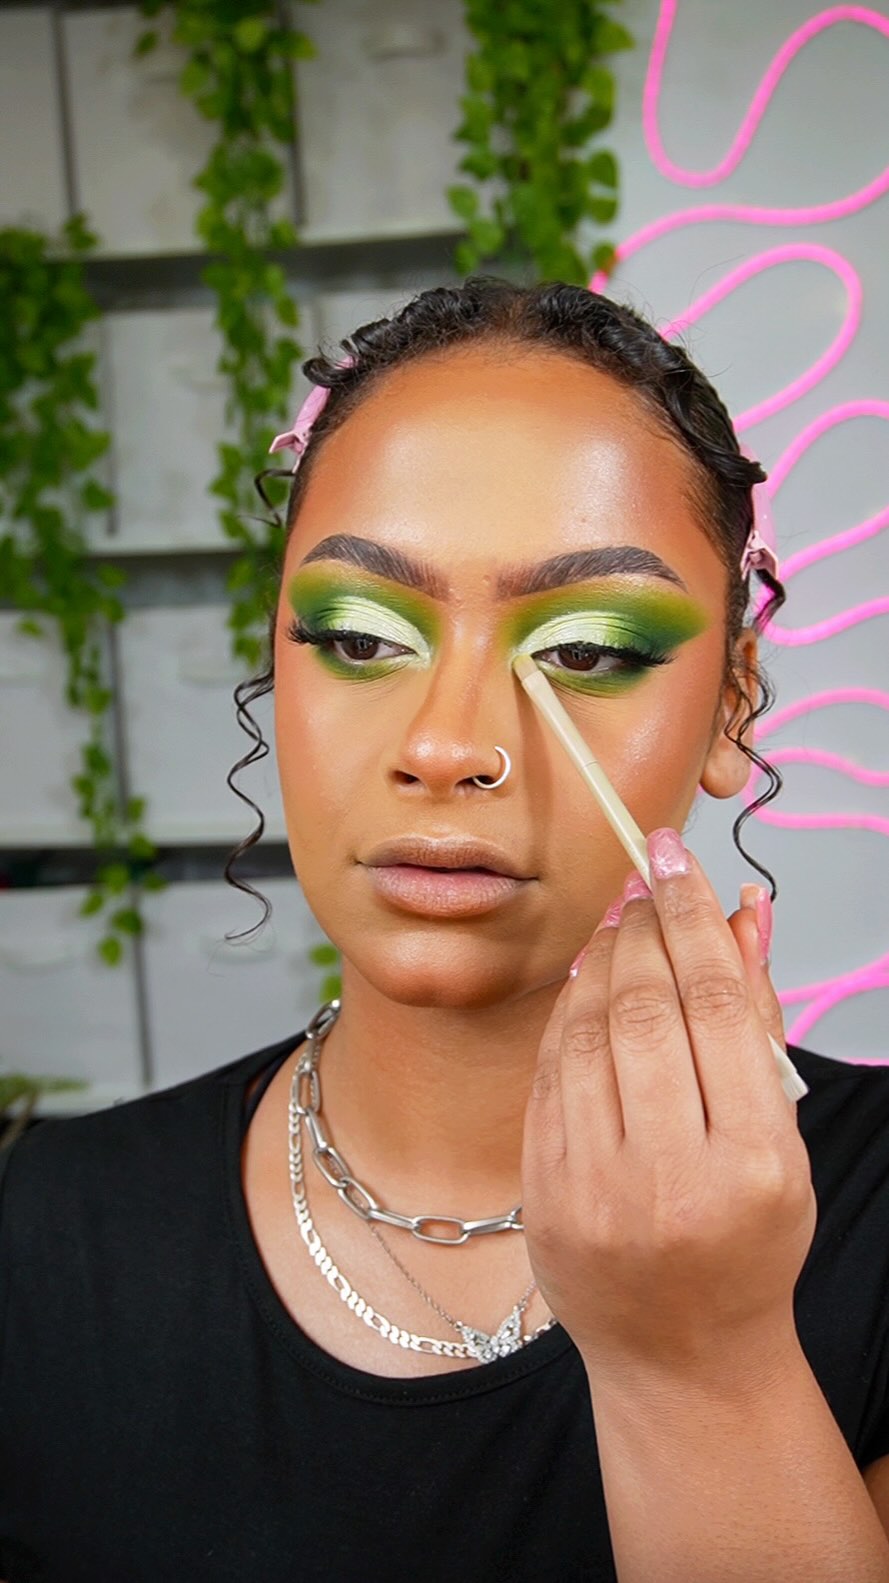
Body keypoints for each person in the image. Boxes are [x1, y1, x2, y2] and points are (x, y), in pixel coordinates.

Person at [2, 278, 889, 1583]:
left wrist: (700, 1364)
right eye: (361, 638)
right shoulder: (42, 1233)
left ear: (731, 708)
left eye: (587, 650)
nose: (445, 743)